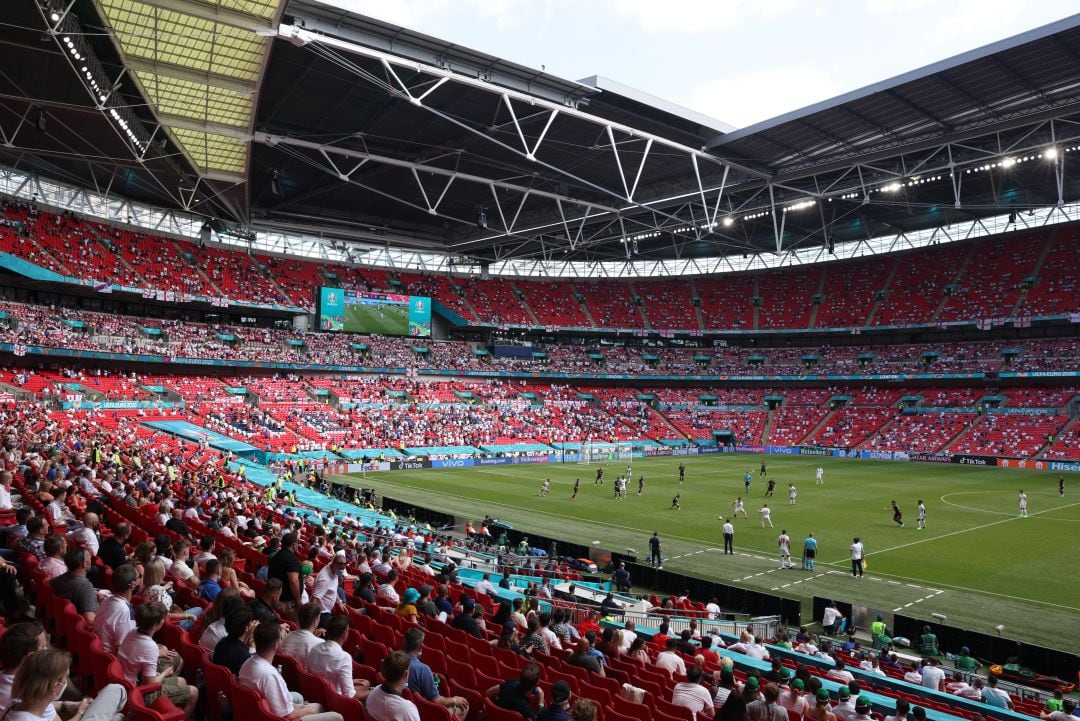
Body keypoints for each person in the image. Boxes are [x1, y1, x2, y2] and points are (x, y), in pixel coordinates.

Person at [239, 620, 342, 721]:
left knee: (315, 705)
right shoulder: (270, 675)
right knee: (336, 716)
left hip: (258, 713)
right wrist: (308, 710)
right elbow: (287, 716)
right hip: (281, 717)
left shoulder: (246, 663)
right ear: (276, 644)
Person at [118, 601, 198, 717]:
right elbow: (149, 684)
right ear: (155, 625)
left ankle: (173, 711)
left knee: (182, 681)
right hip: (139, 693)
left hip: (132, 681)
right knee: (194, 692)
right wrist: (165, 673)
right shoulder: (149, 646)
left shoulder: (132, 632)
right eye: (162, 619)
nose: (163, 621)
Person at [6, 647, 127, 721]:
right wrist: (80, 712)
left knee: (116, 713)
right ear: (56, 687)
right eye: (66, 678)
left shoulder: (17, 702)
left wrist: (79, 708)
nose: (66, 682)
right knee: (117, 690)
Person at [404, 628, 468, 719]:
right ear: (419, 646)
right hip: (426, 714)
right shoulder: (423, 669)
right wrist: (454, 700)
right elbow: (436, 701)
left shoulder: (396, 660)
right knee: (464, 705)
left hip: (411, 707)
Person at [307, 615, 371, 699]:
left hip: (317, 692)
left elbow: (325, 676)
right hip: (334, 698)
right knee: (369, 688)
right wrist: (374, 692)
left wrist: (351, 681)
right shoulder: (344, 657)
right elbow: (349, 695)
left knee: (365, 683)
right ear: (345, 634)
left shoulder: (314, 648)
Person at [51, 548, 100, 622]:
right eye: (89, 558)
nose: (91, 561)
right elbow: (90, 619)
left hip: (65, 622)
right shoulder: (85, 586)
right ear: (85, 564)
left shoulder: (62, 577)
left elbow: (47, 584)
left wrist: (91, 593)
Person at [213, 606, 256, 675]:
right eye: (251, 622)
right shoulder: (243, 656)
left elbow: (239, 646)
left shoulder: (221, 642)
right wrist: (252, 640)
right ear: (246, 628)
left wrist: (248, 635)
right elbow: (254, 667)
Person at [267, 532, 303, 613]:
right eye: (297, 543)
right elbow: (293, 581)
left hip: (277, 599)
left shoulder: (276, 556)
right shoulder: (291, 559)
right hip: (287, 603)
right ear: (294, 545)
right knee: (292, 624)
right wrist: (298, 601)